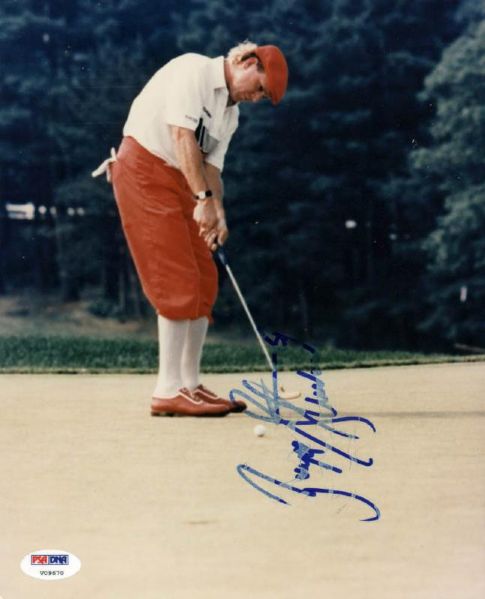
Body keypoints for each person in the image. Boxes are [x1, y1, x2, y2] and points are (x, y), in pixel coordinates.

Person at [93, 41, 288, 417]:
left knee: (203, 277)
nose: (256, 98)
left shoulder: (229, 115)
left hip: (186, 180)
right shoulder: (193, 70)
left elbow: (212, 169)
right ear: (247, 62)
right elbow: (182, 137)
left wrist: (218, 212)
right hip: (145, 171)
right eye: (260, 88)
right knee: (175, 275)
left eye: (264, 96)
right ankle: (167, 389)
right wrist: (202, 200)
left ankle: (190, 385)